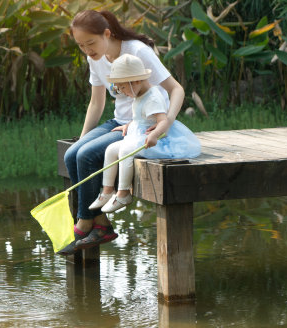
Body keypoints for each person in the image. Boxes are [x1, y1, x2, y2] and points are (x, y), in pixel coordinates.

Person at [60, 10, 186, 255]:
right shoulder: (94, 58)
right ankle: (101, 224)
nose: (87, 50)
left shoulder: (137, 52)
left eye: (91, 43)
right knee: (72, 154)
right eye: (81, 45)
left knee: (86, 156)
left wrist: (165, 124)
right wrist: (84, 137)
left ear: (107, 34)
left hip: (141, 125)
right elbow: (96, 103)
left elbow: (176, 89)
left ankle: (85, 220)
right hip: (118, 121)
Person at [85, 54, 200, 220]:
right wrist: (128, 125)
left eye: (122, 87)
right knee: (111, 150)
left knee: (124, 150)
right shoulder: (138, 94)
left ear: (136, 82)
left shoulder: (152, 97)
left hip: (156, 139)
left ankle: (123, 193)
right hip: (138, 133)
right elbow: (141, 118)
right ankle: (107, 191)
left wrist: (154, 135)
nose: (121, 92)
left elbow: (163, 121)